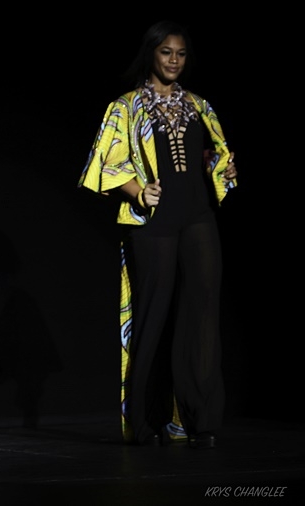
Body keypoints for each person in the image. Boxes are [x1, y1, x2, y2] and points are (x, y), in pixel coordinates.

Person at [77, 20, 237, 449]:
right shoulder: (127, 107)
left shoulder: (198, 105)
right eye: (166, 52)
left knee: (202, 316)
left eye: (181, 54)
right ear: (151, 54)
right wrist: (137, 191)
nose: (174, 61)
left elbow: (214, 153)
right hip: (154, 222)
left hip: (198, 216)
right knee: (154, 316)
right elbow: (105, 163)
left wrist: (221, 167)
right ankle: (146, 420)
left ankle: (197, 420)